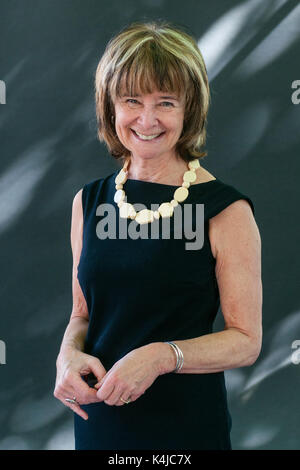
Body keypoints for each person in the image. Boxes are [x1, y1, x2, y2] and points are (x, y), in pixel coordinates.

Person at [54, 20, 262, 450]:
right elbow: (82, 313)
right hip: (100, 423)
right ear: (110, 106)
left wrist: (161, 356)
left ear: (190, 110)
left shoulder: (225, 209)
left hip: (184, 430)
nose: (146, 120)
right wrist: (67, 356)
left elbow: (245, 342)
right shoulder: (88, 201)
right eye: (132, 100)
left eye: (166, 102)